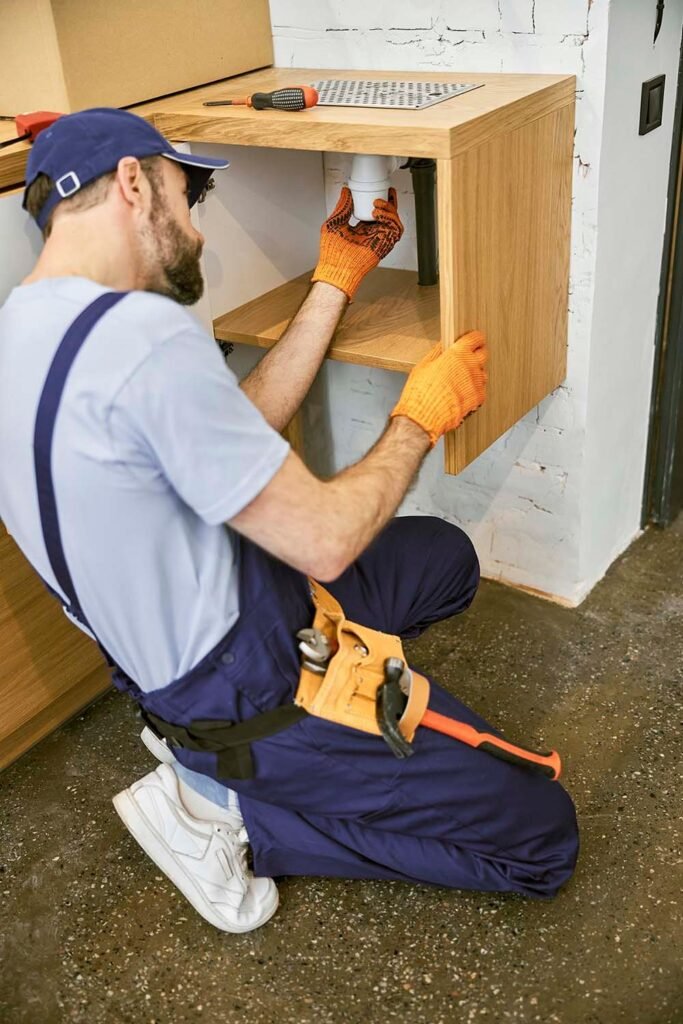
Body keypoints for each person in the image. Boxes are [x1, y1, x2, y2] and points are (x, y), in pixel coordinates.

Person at [0, 108, 578, 935]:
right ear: (133, 182)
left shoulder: (25, 331)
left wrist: (334, 279)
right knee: (543, 840)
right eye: (186, 191)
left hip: (194, 647)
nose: (197, 227)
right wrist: (417, 420)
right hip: (252, 689)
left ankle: (210, 767)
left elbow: (235, 428)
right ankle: (231, 815)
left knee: (443, 559)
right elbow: (327, 539)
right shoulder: (139, 333)